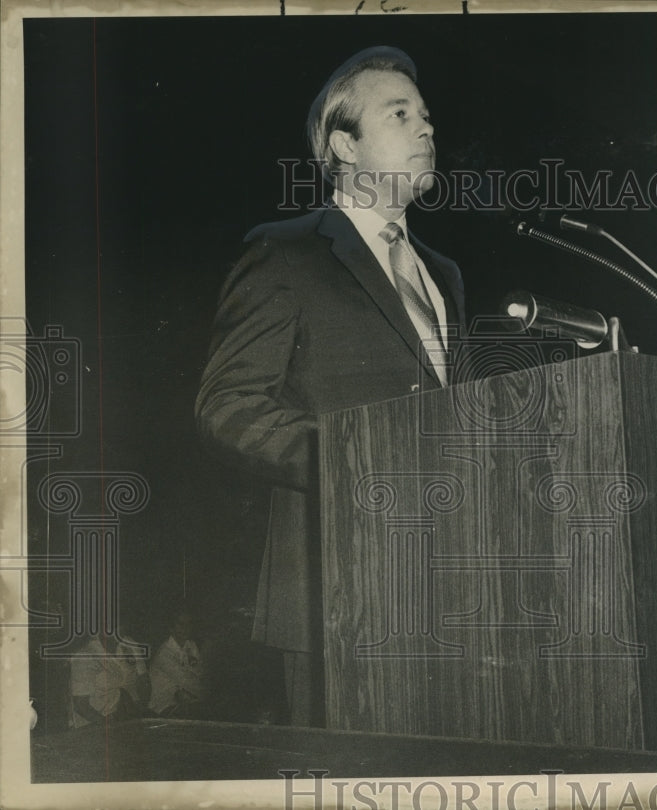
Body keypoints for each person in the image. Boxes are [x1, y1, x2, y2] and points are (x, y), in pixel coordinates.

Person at [195, 46, 465, 726]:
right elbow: (227, 405)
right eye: (399, 114)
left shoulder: (445, 275)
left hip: (450, 584)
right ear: (343, 142)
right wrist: (352, 463)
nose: (426, 128)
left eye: (427, 115)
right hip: (333, 590)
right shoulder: (287, 253)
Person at [69, 631, 149, 728]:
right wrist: (110, 726)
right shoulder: (85, 655)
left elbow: (143, 680)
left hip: (123, 716)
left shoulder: (128, 643)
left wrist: (140, 710)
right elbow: (81, 706)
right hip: (94, 724)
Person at [149, 609, 204, 718]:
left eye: (189, 624)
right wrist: (209, 694)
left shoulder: (191, 646)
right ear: (171, 627)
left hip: (187, 700)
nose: (186, 628)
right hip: (164, 706)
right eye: (181, 624)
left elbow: (200, 673)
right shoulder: (164, 653)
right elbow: (188, 681)